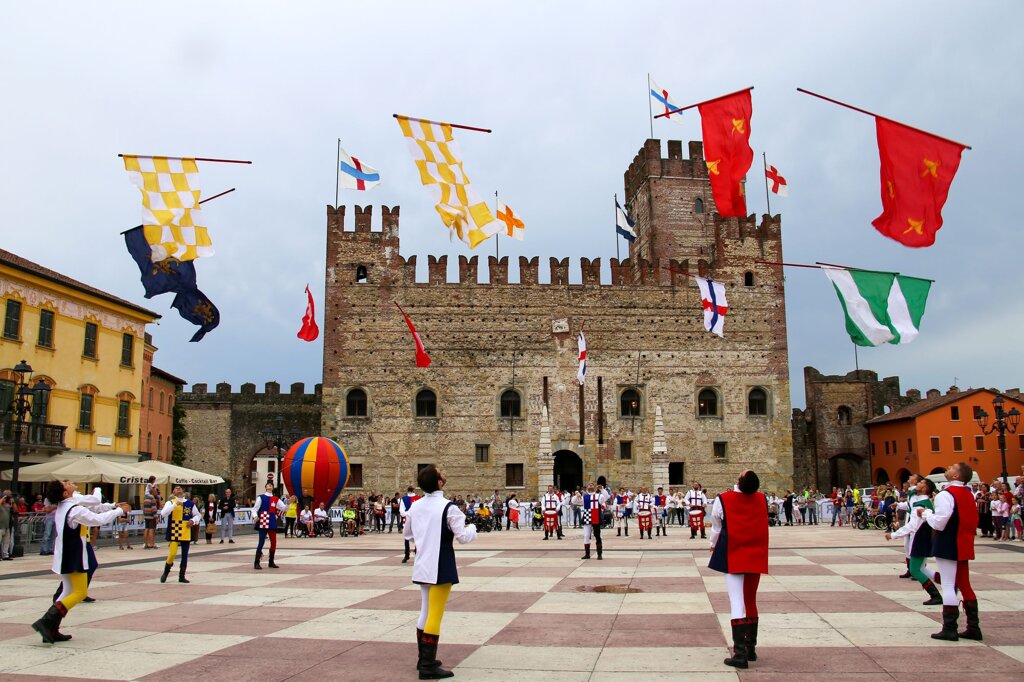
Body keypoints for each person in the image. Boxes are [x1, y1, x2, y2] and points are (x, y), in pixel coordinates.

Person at [32, 480, 129, 643]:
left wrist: (112, 506)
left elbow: (94, 507)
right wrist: (119, 511)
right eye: (65, 483)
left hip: (65, 555)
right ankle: (46, 621)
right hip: (73, 556)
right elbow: (97, 519)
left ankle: (52, 628)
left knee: (67, 592)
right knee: (80, 592)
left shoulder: (66, 504)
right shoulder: (74, 509)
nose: (69, 482)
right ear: (65, 493)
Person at [403, 464, 476, 679]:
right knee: (435, 614)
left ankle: (423, 658)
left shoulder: (415, 506)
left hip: (422, 564)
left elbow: (408, 535)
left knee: (425, 611)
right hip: (441, 564)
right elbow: (463, 537)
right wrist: (473, 529)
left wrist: (424, 538)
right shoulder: (449, 507)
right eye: (441, 472)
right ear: (440, 483)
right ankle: (427, 666)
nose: (444, 472)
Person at [709, 470, 769, 670]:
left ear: (740, 480)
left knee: (737, 603)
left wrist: (713, 544)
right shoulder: (762, 499)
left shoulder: (723, 499)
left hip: (734, 555)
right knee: (751, 601)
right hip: (756, 556)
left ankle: (740, 654)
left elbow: (716, 526)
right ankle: (751, 649)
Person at [920, 462, 981, 641]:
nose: (948, 468)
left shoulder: (945, 494)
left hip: (948, 542)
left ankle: (950, 628)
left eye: (952, 467)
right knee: (965, 584)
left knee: (948, 585)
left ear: (956, 476)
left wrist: (926, 514)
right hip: (963, 542)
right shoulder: (968, 493)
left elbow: (939, 522)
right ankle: (973, 627)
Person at [886, 476, 942, 605]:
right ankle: (947, 583)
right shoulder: (922, 502)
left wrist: (894, 535)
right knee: (921, 568)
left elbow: (912, 526)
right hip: (922, 537)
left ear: (925, 488)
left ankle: (936, 595)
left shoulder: (921, 505)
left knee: (915, 570)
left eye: (921, 482)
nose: (918, 483)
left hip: (920, 538)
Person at [159, 486, 200, 584]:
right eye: (176, 488)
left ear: (183, 491)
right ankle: (166, 570)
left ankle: (182, 575)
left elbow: (197, 515)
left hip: (186, 530)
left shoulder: (190, 503)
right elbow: (163, 513)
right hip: (175, 529)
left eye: (179, 488)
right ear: (173, 492)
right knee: (172, 553)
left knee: (185, 555)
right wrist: (174, 505)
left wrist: (193, 520)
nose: (178, 489)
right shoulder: (170, 502)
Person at [252, 482, 287, 569]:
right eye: (268, 484)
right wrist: (255, 516)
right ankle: (256, 562)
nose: (270, 485)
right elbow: (254, 509)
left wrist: (289, 503)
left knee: (274, 542)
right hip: (263, 519)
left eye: (271, 485)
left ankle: (271, 561)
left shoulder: (276, 499)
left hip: (271, 520)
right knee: (261, 542)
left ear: (272, 488)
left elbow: (283, 508)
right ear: (265, 487)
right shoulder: (261, 497)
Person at [581, 483, 609, 560]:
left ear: (594, 487)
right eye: (589, 485)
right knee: (586, 535)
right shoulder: (584, 496)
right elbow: (575, 501)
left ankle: (599, 554)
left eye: (592, 485)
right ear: (587, 487)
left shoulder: (598, 495)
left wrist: (602, 489)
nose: (590, 486)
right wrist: (576, 495)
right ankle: (587, 554)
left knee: (597, 535)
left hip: (595, 517)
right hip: (587, 517)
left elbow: (606, 497)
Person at [401, 485, 420, 562]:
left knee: (406, 537)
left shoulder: (404, 498)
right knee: (417, 537)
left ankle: (407, 554)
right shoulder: (418, 498)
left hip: (408, 519)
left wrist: (408, 514)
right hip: (416, 519)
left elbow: (402, 511)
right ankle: (416, 552)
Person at [142, 476, 158, 550]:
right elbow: (154, 509)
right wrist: (156, 517)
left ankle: (145, 544)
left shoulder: (145, 499)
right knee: (151, 529)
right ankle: (151, 544)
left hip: (146, 515)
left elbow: (144, 508)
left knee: (146, 529)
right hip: (151, 516)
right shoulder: (152, 498)